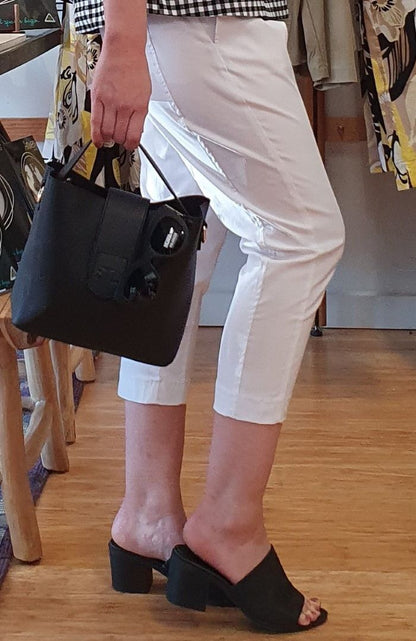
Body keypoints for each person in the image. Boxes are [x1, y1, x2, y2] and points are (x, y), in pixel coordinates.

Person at [74, 0, 345, 633]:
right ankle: (228, 522)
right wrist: (123, 36)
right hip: (204, 24)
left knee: (178, 253)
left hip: (171, 28)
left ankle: (147, 514)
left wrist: (127, 35)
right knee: (300, 239)